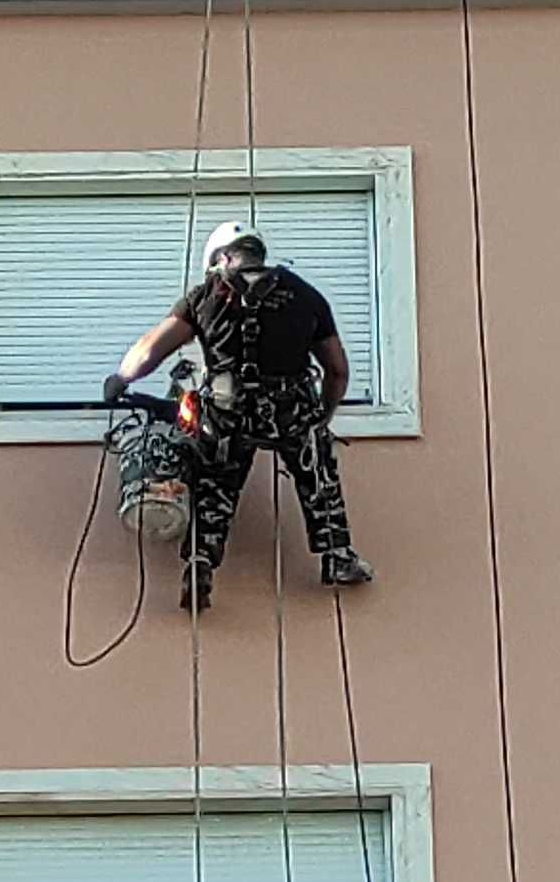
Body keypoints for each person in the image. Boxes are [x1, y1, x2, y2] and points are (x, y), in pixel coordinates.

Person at [104, 222, 375, 608]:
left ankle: (199, 564)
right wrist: (322, 419)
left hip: (227, 411)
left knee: (215, 480)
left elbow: (150, 349)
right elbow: (337, 370)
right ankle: (338, 555)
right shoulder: (304, 294)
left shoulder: (205, 296)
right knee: (317, 470)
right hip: (290, 408)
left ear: (222, 258)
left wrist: (120, 378)